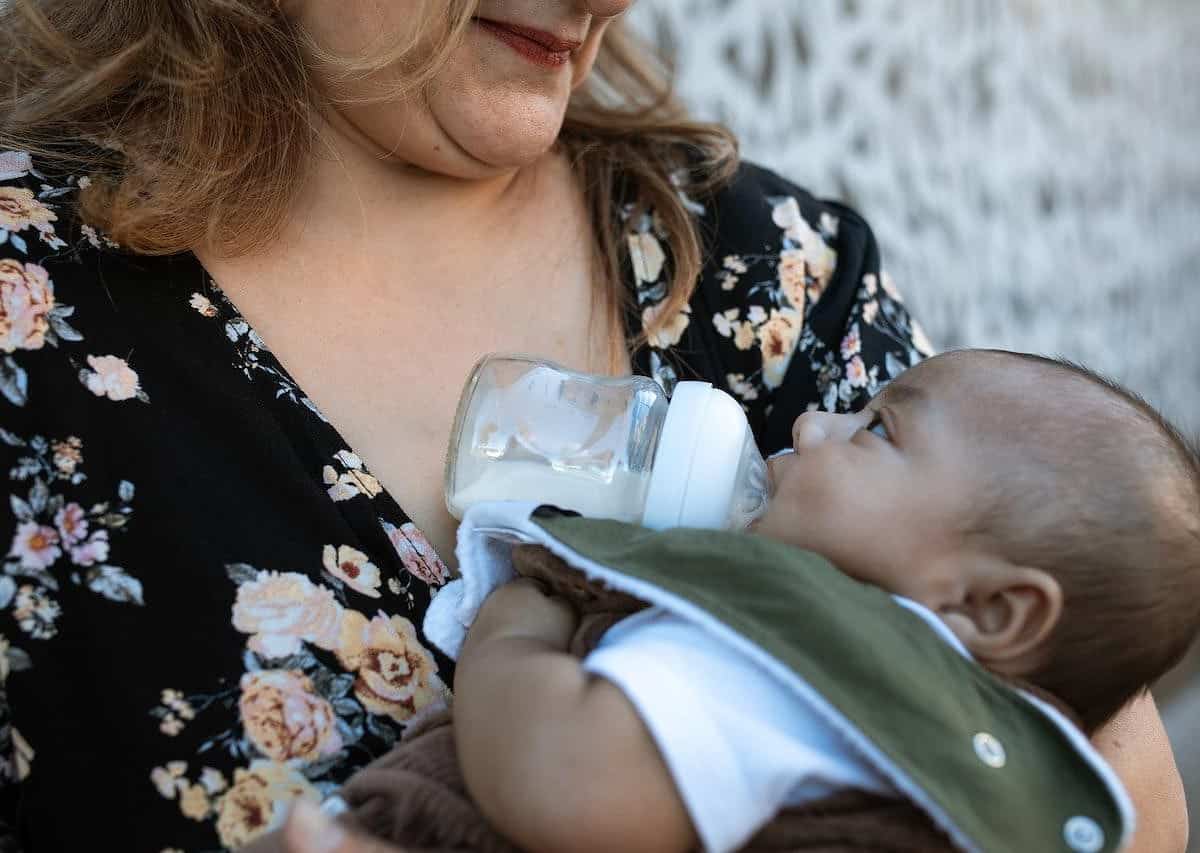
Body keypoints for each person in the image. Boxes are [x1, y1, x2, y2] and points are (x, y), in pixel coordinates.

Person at [0, 0, 1185, 850]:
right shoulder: (29, 324)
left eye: (868, 431)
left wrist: (529, 611)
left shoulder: (759, 267)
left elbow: (1113, 801)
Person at [447, 349, 1200, 852]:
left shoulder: (812, 650)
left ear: (990, 610)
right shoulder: (975, 748)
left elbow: (566, 774)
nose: (811, 425)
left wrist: (520, 619)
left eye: (876, 429)